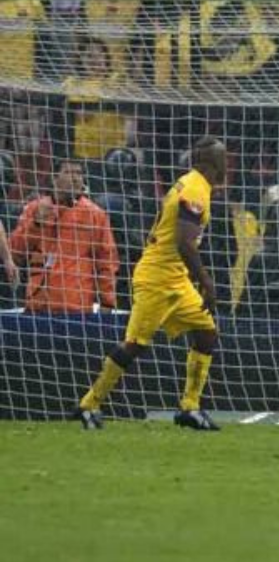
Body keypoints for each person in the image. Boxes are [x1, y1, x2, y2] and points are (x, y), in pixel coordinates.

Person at [78, 137, 229, 431]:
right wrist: (207, 281)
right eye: (223, 159)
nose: (227, 165)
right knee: (134, 344)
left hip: (175, 277)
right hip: (157, 278)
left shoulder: (189, 182)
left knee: (207, 332)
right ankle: (89, 404)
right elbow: (184, 242)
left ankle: (190, 407)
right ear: (210, 162)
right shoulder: (196, 189)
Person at [8, 159, 118, 314]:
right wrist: (36, 225)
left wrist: (108, 303)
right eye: (68, 172)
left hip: (77, 307)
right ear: (54, 178)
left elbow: (106, 261)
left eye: (78, 173)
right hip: (38, 305)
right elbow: (15, 253)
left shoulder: (95, 215)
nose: (74, 178)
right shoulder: (35, 209)